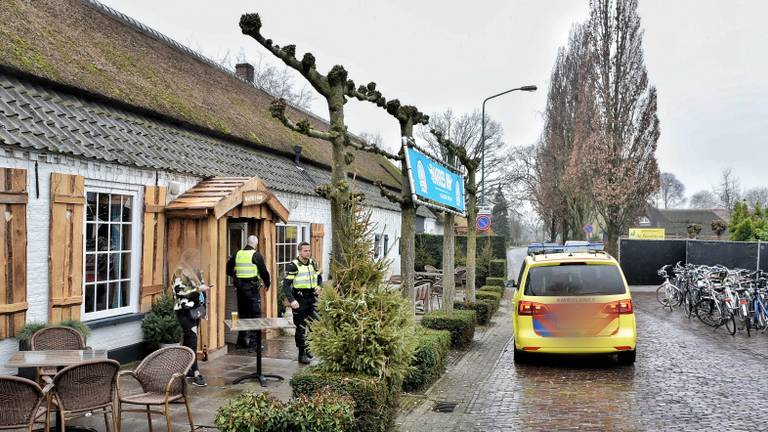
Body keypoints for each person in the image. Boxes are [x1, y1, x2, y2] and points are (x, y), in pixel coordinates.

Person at [226, 235, 271, 352]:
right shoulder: (255, 255)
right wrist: (267, 283)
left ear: (247, 243)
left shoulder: (238, 254)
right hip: (251, 288)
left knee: (243, 315)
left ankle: (241, 342)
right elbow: (264, 272)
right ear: (255, 244)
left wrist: (235, 277)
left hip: (240, 289)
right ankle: (254, 344)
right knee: (256, 315)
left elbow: (228, 268)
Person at [172, 249, 210, 387]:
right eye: (194, 259)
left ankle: (185, 370)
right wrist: (198, 290)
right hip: (184, 311)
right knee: (192, 341)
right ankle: (196, 373)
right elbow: (180, 292)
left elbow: (202, 290)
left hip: (196, 311)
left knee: (189, 341)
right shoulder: (179, 272)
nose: (197, 262)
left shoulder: (198, 271)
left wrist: (204, 308)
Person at [282, 241, 322, 364]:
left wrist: (319, 286)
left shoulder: (313, 263)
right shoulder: (293, 265)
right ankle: (301, 354)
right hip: (299, 300)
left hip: (312, 298)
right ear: (299, 251)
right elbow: (286, 285)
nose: (308, 252)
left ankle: (308, 347)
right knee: (300, 327)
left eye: (309, 250)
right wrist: (292, 300)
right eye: (305, 251)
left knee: (315, 324)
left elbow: (319, 277)